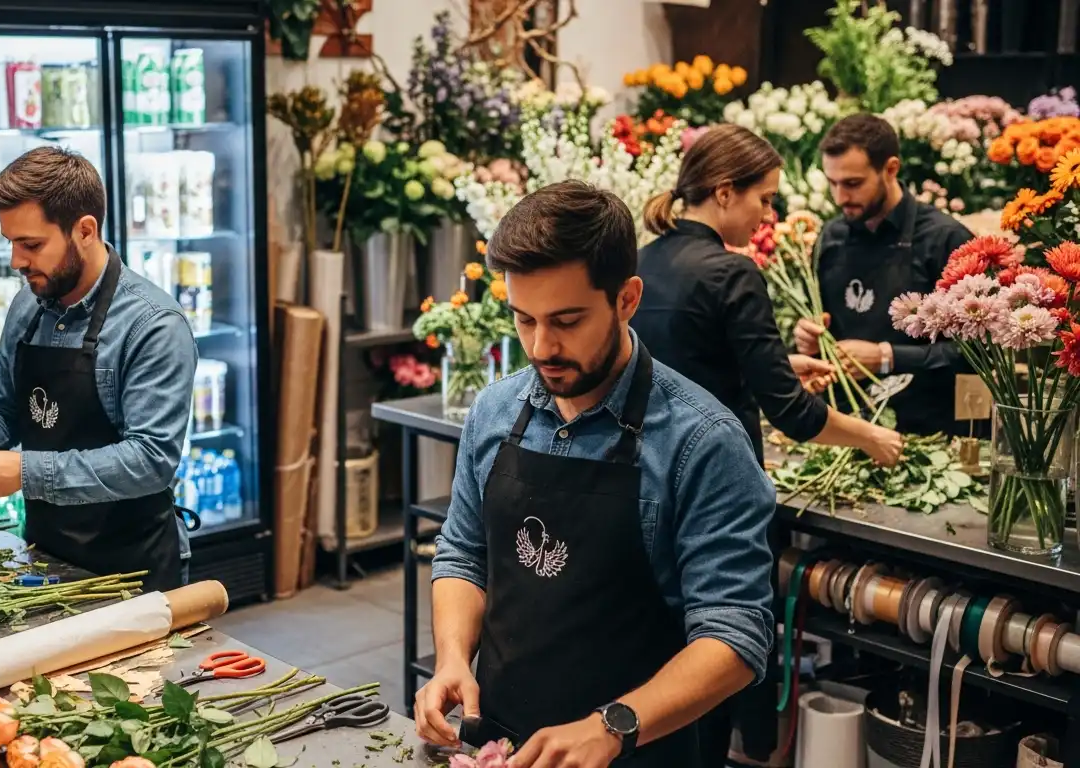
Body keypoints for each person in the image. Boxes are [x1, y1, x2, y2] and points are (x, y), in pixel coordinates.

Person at [417, 180, 777, 768]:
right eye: (524, 319)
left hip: (640, 751)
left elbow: (736, 636)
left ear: (627, 299)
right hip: (502, 744)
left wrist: (613, 726)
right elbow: (462, 553)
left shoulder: (703, 442)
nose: (541, 345)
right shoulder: (494, 412)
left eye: (567, 320)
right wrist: (453, 657)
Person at [632, 124, 902, 768]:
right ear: (725, 192)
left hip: (644, 481)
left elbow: (680, 361)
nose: (769, 214)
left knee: (663, 642)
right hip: (717, 493)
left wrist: (775, 363)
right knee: (722, 641)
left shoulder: (645, 260)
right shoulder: (732, 271)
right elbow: (792, 414)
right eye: (765, 198)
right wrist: (869, 435)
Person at [0, 147, 199, 588]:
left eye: (31, 245)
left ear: (84, 230)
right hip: (47, 558)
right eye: (11, 243)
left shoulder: (153, 325)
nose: (17, 261)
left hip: (135, 568)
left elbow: (151, 460)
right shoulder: (29, 304)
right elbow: (3, 408)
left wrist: (23, 472)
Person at [794, 114, 975, 436]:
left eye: (852, 183)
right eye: (832, 183)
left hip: (927, 432)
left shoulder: (945, 240)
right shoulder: (831, 235)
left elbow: (977, 353)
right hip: (846, 426)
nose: (839, 198)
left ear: (891, 169)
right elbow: (820, 324)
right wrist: (808, 338)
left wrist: (886, 357)